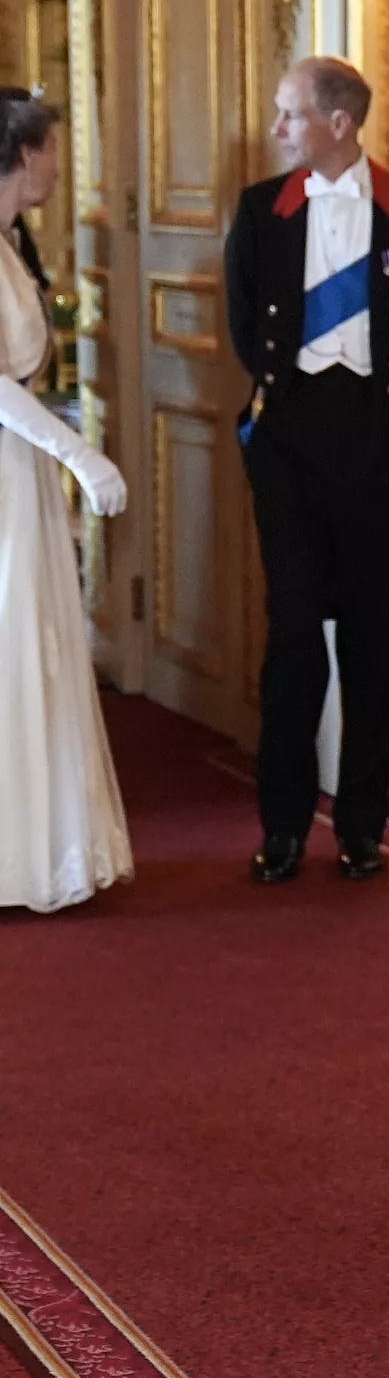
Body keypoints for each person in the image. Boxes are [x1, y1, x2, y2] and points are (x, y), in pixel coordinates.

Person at [225, 58, 389, 886]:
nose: (278, 129)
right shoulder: (262, 212)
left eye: (290, 115)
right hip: (290, 448)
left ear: (339, 123)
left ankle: (362, 826)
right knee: (292, 643)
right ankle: (282, 826)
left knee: (376, 646)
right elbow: (247, 326)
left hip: (387, 447)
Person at [0, 88, 133, 912]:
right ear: (23, 153)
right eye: (51, 149)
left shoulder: (13, 243)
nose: (59, 164)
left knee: (31, 643)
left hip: (21, 472)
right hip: (10, 468)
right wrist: (78, 452)